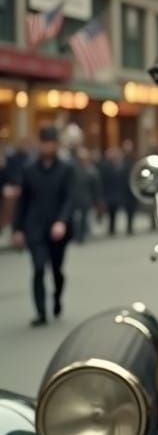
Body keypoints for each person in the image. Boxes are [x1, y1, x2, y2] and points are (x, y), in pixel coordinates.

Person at [12, 126, 74, 327]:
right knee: (38, 268)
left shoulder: (66, 168)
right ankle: (40, 312)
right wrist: (18, 229)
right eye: (44, 143)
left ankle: (56, 297)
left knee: (56, 269)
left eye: (51, 143)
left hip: (57, 227)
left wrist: (62, 221)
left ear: (56, 145)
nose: (47, 147)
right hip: (35, 226)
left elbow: (69, 198)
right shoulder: (30, 169)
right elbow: (23, 201)